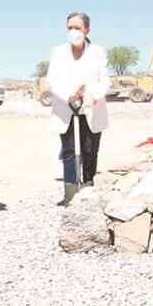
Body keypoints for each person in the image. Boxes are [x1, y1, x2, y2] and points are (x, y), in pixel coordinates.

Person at [47, 12, 111, 205]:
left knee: (90, 150)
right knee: (69, 150)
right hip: (67, 108)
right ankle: (71, 193)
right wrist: (70, 96)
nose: (73, 32)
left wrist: (94, 96)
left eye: (77, 28)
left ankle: (88, 191)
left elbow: (104, 79)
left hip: (91, 108)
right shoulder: (58, 52)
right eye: (69, 28)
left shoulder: (98, 52)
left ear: (87, 30)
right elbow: (52, 80)